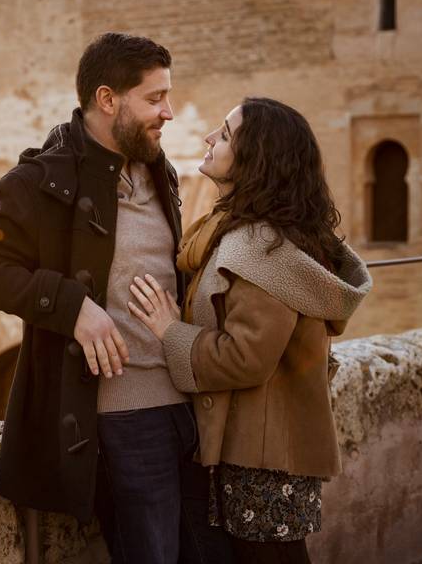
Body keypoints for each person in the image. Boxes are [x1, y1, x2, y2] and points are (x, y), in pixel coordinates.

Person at [0, 33, 233, 563]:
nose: (169, 112)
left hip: (191, 409)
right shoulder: (40, 182)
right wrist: (72, 305)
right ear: (107, 100)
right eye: (154, 99)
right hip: (125, 424)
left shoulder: (160, 171)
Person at [128, 97, 372, 564]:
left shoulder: (262, 248)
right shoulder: (247, 235)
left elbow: (247, 357)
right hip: (256, 448)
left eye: (223, 134)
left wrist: (168, 331)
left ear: (255, 159)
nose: (208, 139)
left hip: (261, 460)